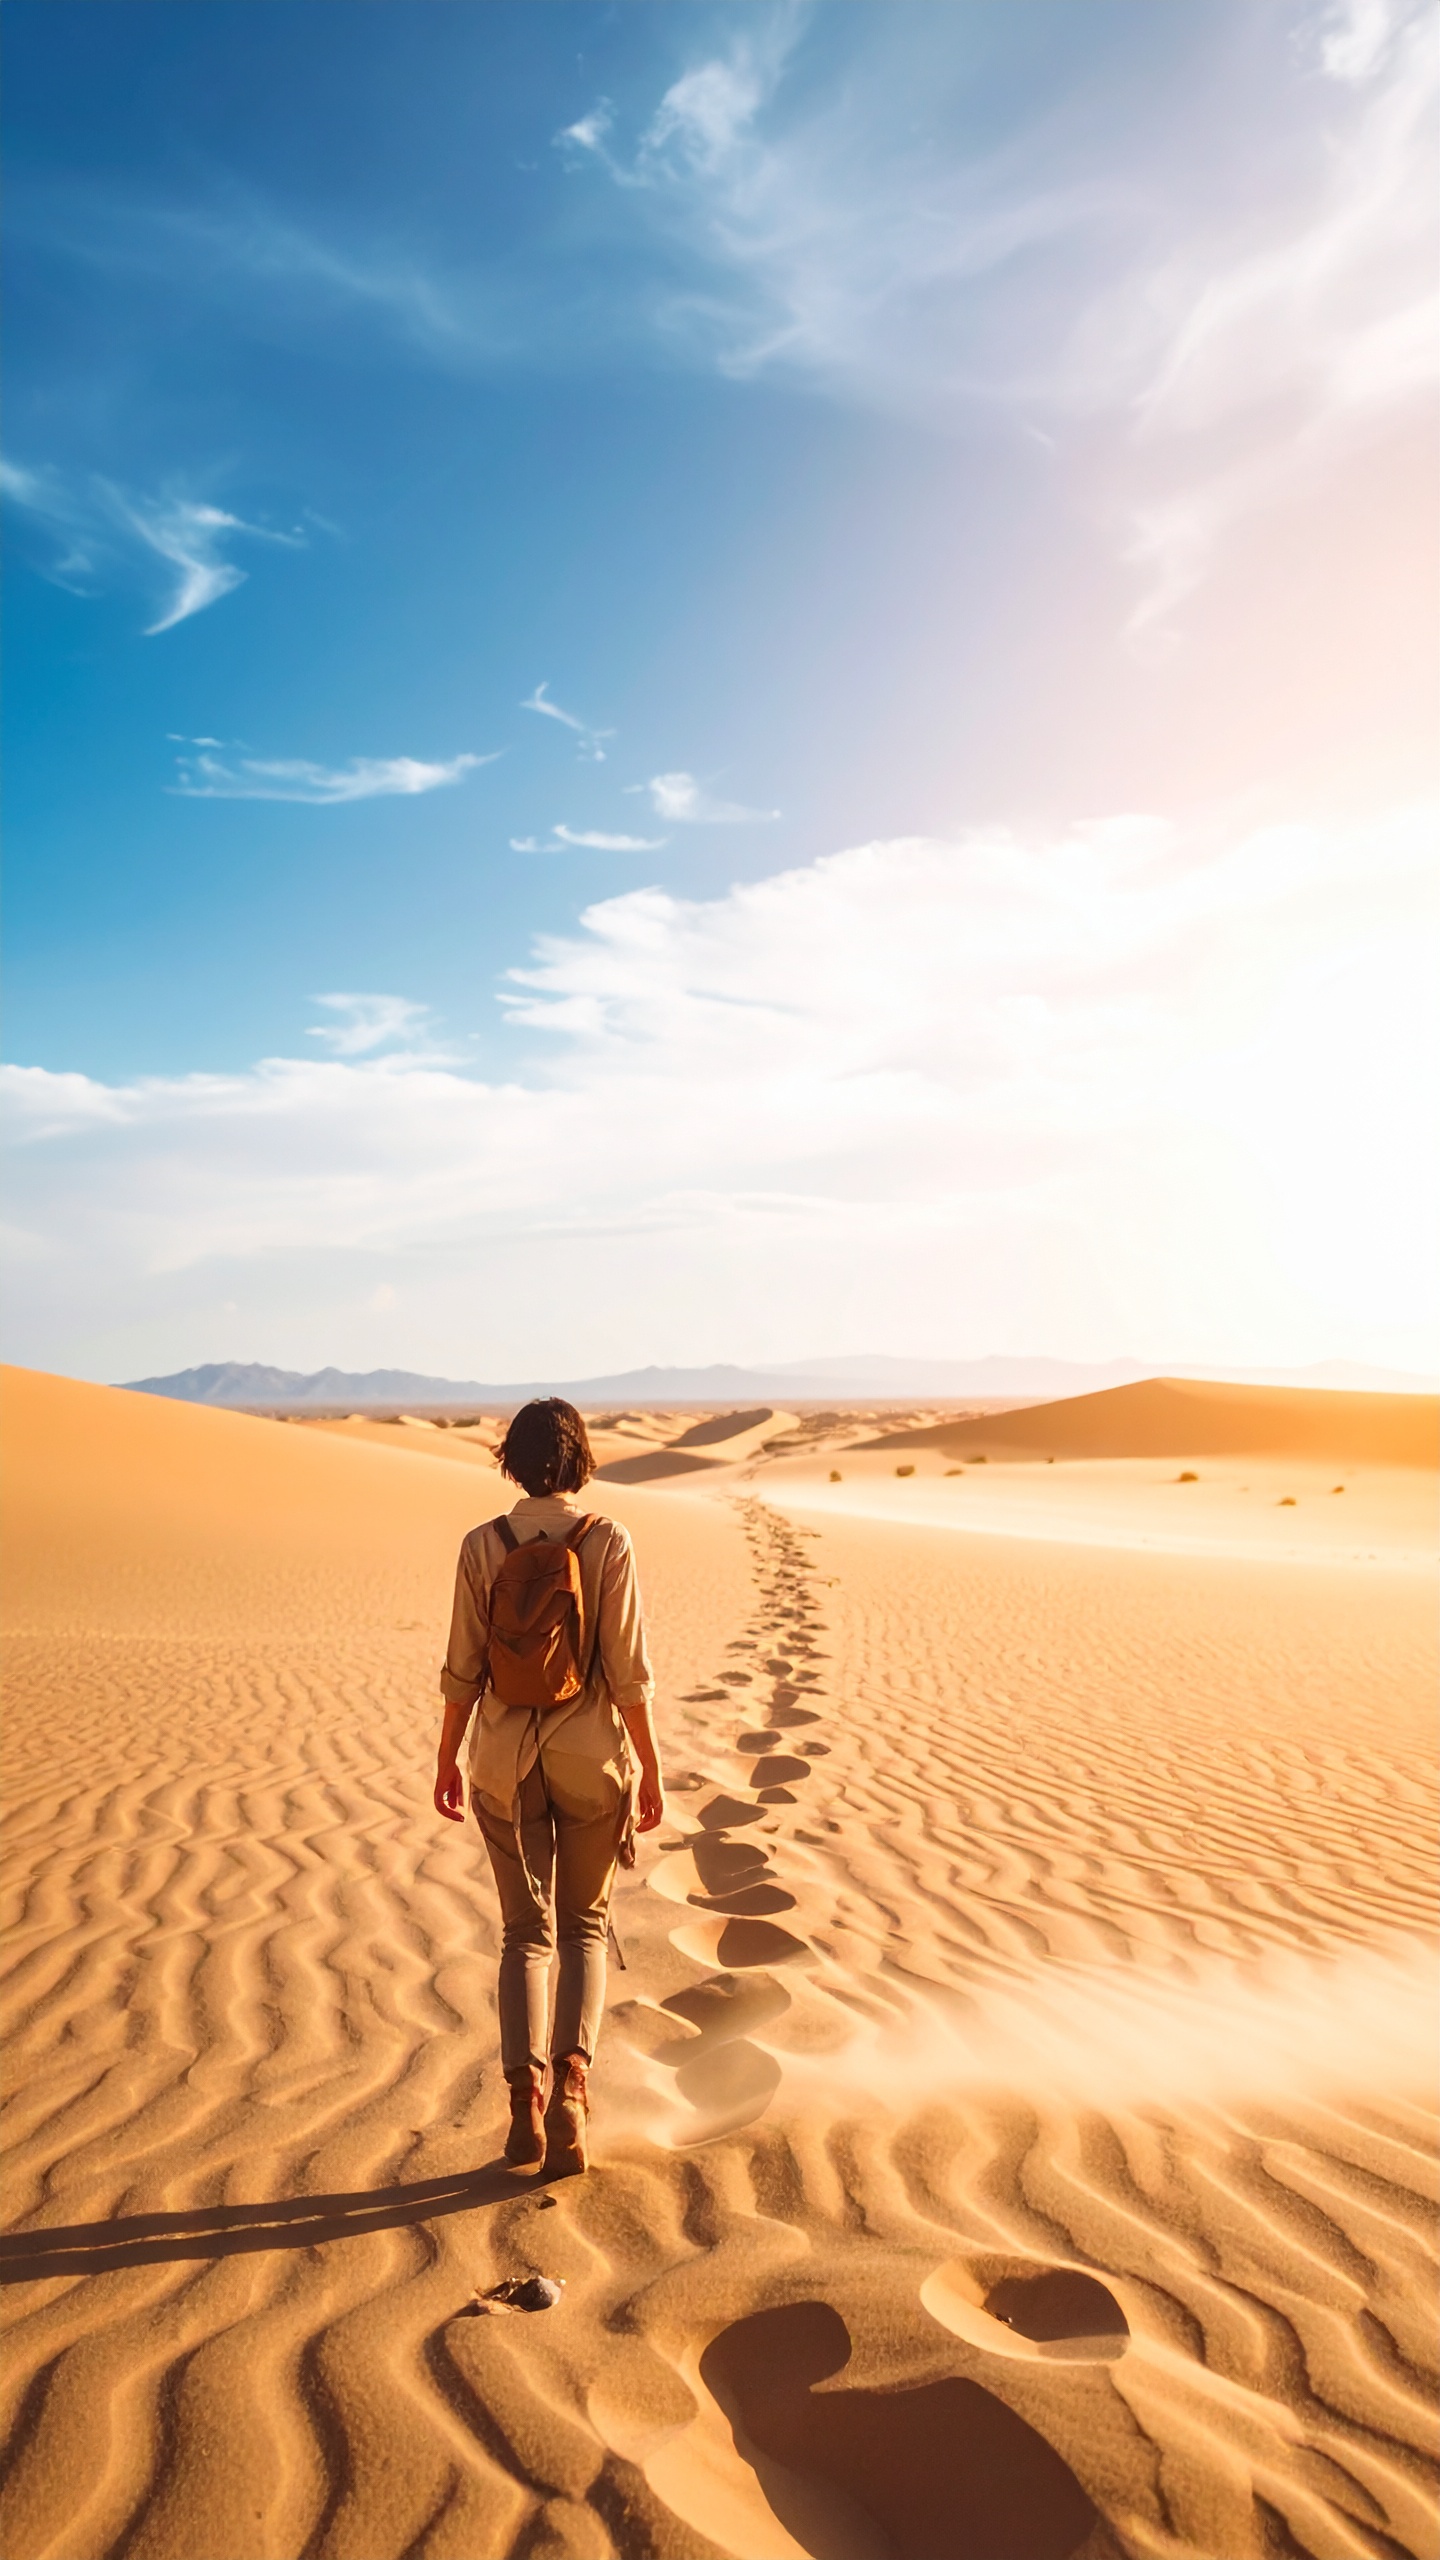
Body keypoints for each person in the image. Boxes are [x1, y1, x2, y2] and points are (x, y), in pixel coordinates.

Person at [433, 1397, 665, 2175]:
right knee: (584, 1928)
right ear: (579, 1462)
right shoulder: (609, 1542)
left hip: (501, 1759)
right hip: (591, 1755)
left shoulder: (480, 1545)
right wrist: (650, 1766)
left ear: (512, 1461)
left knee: (522, 1935)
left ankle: (522, 2106)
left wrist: (445, 1758)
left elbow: (463, 1666)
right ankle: (573, 2091)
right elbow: (627, 1670)